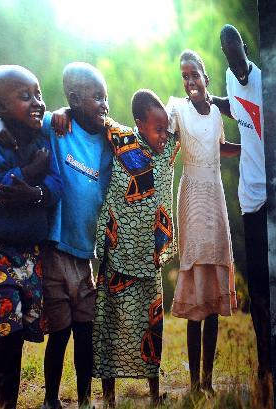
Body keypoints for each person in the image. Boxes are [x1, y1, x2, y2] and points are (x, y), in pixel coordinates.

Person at [0, 62, 114, 409]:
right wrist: (56, 113)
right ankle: (50, 399)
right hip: (54, 249)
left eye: (107, 98)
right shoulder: (58, 128)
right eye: (97, 98)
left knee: (85, 330)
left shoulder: (108, 141)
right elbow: (11, 118)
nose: (104, 105)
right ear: (74, 99)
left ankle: (86, 399)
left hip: (84, 253)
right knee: (59, 331)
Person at [0, 65, 61, 409]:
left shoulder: (42, 142)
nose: (37, 102)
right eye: (26, 97)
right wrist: (31, 173)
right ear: (1, 105)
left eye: (38, 94)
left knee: (19, 335)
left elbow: (56, 187)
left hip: (30, 255)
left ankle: (7, 403)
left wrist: (34, 192)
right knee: (7, 335)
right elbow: (1, 189)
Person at [93, 89, 178, 407]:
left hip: (149, 256)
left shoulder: (168, 147)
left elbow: (188, 117)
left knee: (151, 324)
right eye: (157, 128)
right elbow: (98, 118)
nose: (162, 134)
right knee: (109, 325)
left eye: (165, 127)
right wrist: (60, 116)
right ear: (139, 123)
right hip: (117, 252)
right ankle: (110, 397)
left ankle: (155, 394)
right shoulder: (122, 140)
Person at [167, 49, 241, 394]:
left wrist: (250, 147)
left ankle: (208, 381)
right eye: (185, 76)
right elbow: (164, 141)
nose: (190, 82)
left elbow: (220, 147)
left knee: (212, 287)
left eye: (194, 75)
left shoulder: (216, 115)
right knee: (197, 278)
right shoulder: (176, 109)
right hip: (192, 196)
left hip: (215, 196)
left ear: (205, 78)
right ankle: (194, 383)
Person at [211, 24, 271, 400]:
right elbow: (236, 110)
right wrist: (208, 102)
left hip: (275, 195)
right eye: (224, 47)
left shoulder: (264, 81)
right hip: (249, 197)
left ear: (244, 47)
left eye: (234, 45)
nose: (231, 52)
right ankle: (264, 363)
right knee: (259, 290)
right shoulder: (231, 82)